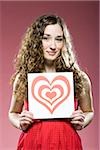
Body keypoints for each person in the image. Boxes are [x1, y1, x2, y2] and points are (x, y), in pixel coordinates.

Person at [8, 14, 94, 150]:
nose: (53, 45)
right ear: (36, 41)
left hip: (67, 142)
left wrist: (82, 121)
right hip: (33, 142)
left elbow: (89, 111)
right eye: (46, 38)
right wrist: (20, 122)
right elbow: (13, 113)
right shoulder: (23, 77)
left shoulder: (79, 78)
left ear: (64, 43)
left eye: (58, 39)